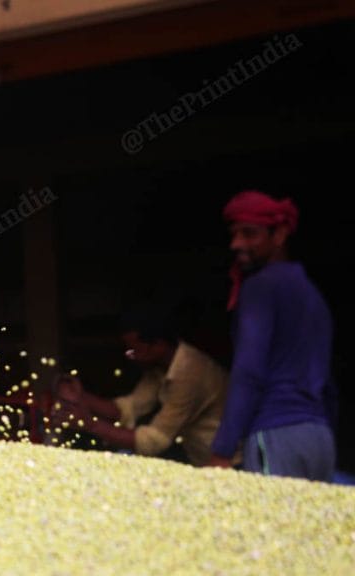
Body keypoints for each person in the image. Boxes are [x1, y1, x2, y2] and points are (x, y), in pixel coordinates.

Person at [207, 190, 336, 481]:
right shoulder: (313, 296)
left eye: (249, 233)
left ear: (279, 235)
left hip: (276, 431)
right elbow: (329, 387)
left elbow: (249, 371)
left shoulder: (261, 286)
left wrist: (223, 450)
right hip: (319, 439)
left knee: (270, 510)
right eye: (234, 234)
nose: (236, 244)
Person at [54, 305, 232, 466]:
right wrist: (80, 396)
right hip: (202, 459)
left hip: (227, 462)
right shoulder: (160, 367)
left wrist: (89, 424)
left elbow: (155, 440)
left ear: (158, 346)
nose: (129, 356)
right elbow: (127, 408)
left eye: (133, 351)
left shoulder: (189, 372)